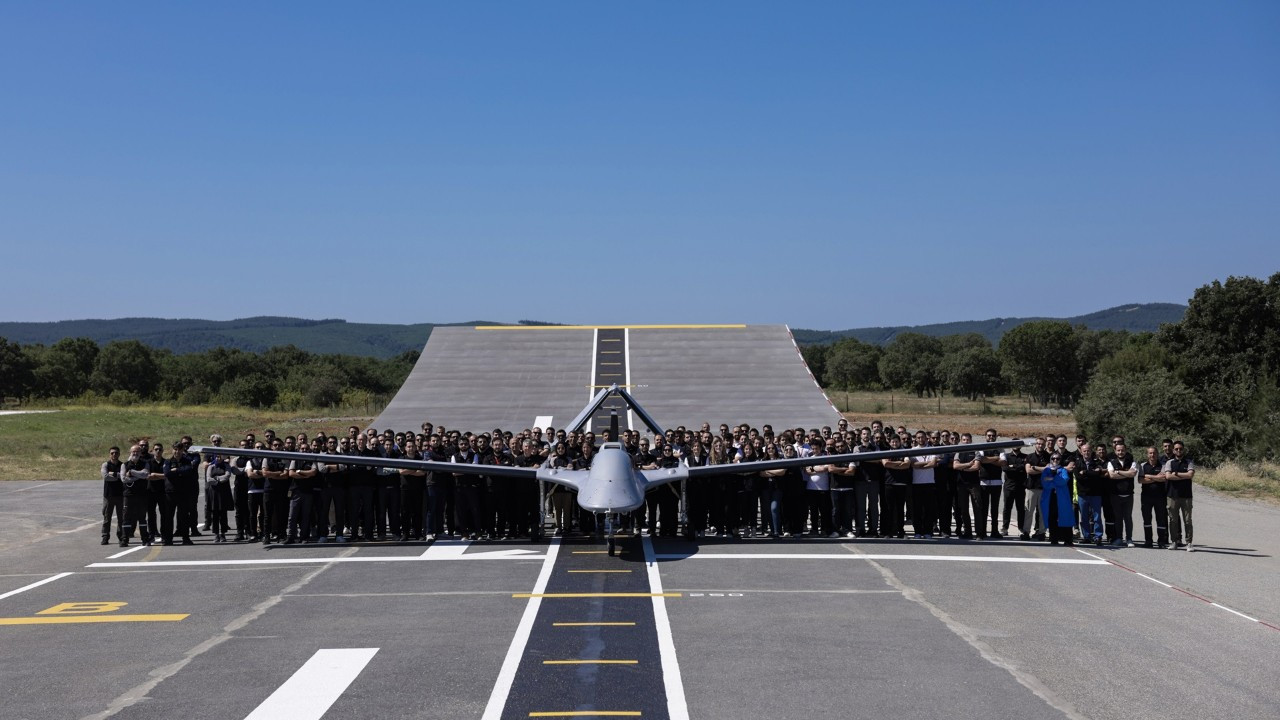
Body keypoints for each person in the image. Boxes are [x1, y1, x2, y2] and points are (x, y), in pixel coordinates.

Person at [162, 443, 199, 546]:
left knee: (184, 517)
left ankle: (186, 538)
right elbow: (167, 473)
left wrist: (177, 470)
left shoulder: (187, 461)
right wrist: (180, 473)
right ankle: (168, 539)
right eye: (175, 449)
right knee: (169, 517)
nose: (177, 452)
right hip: (170, 493)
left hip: (183, 492)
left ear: (182, 450)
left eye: (179, 450)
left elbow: (189, 471)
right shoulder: (168, 461)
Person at [1164, 440, 1196, 551]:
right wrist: (1184, 475)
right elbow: (1168, 476)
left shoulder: (1189, 462)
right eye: (1176, 449)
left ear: (1183, 449)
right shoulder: (1170, 463)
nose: (1178, 450)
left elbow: (1190, 475)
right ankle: (1174, 541)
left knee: (1187, 520)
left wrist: (1176, 474)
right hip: (1172, 496)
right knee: (1173, 520)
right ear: (1173, 450)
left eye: (1180, 449)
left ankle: (1189, 543)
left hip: (1186, 496)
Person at [1040, 452, 1075, 546]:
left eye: (1058, 459)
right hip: (1050, 498)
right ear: (1050, 460)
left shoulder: (1063, 470)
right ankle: (1053, 538)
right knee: (1051, 517)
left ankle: (1068, 539)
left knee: (1065, 517)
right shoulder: (1046, 470)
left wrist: (1051, 479)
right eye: (1053, 458)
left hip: (1062, 498)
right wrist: (1055, 480)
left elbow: (1064, 481)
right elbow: (1044, 483)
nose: (1055, 460)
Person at [1106, 440, 1137, 547]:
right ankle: (1119, 538)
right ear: (1115, 451)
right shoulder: (1111, 462)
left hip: (1128, 495)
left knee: (1128, 518)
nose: (1120, 452)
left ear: (1126, 450)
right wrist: (1126, 474)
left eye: (1122, 450)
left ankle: (1129, 539)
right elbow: (1112, 476)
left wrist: (1118, 471)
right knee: (1118, 518)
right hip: (1115, 495)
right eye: (1118, 450)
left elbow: (1133, 473)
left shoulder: (1132, 461)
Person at [1137, 446, 1169, 548]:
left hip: (1160, 497)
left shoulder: (1163, 465)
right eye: (1150, 453)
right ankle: (1148, 541)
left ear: (1157, 454)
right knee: (1147, 520)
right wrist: (1156, 477)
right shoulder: (1142, 466)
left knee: (1161, 520)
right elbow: (1140, 480)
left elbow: (1164, 478)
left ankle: (1161, 542)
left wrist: (1148, 476)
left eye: (1154, 453)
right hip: (1146, 497)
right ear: (1147, 455)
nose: (1152, 455)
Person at [101, 447, 125, 545]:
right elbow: (106, 476)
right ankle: (105, 536)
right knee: (107, 518)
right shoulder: (105, 464)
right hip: (108, 496)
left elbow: (124, 477)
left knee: (121, 518)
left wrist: (114, 474)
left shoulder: (122, 465)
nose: (114, 455)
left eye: (116, 453)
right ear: (109, 454)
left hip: (120, 495)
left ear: (119, 454)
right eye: (112, 453)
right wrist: (118, 476)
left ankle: (121, 536)